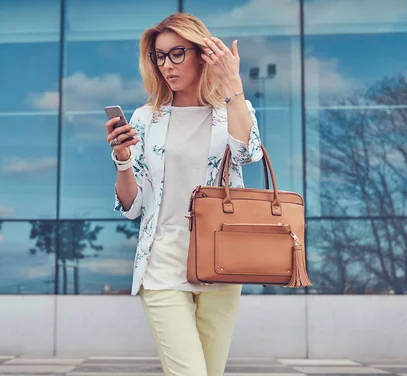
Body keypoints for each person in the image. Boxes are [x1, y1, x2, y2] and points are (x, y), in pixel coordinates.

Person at [105, 12, 263, 376]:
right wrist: (123, 160)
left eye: (177, 53)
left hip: (221, 265)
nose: (167, 65)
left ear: (201, 53)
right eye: (160, 56)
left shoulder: (231, 111)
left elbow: (248, 153)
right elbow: (132, 206)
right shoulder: (146, 119)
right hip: (161, 269)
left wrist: (233, 83)